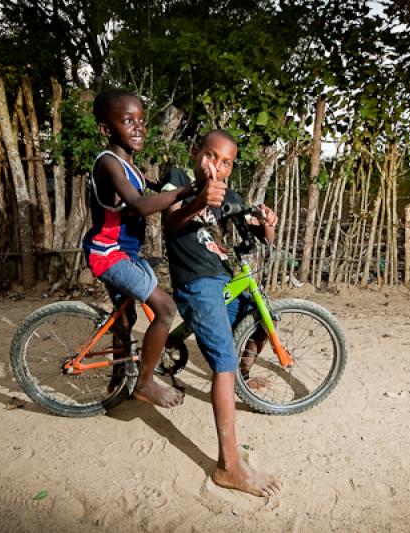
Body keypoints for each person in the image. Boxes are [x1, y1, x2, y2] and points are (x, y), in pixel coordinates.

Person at [161, 130, 281, 497]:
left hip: (222, 276)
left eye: (226, 161)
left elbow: (263, 238)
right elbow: (170, 223)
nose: (217, 166)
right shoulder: (177, 181)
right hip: (197, 283)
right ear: (195, 152)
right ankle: (228, 467)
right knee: (222, 366)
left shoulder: (230, 195)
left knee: (265, 320)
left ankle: (243, 373)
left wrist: (268, 224)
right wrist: (199, 201)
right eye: (211, 156)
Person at [82, 88, 195, 408]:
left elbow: (153, 188)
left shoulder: (130, 164)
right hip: (109, 253)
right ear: (106, 130)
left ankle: (119, 381)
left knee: (126, 318)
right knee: (166, 308)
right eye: (128, 120)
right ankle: (145, 383)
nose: (138, 127)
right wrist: (186, 190)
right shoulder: (109, 164)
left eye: (141, 120)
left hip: (122, 252)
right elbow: (141, 204)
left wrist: (176, 185)